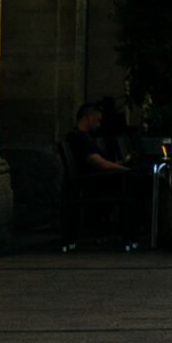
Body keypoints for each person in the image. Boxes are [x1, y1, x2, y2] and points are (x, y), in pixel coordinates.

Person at [61, 97, 146, 253]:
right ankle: (141, 232)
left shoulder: (83, 138)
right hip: (95, 183)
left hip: (98, 180)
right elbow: (100, 164)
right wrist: (125, 170)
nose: (99, 124)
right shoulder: (79, 138)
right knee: (143, 185)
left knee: (142, 183)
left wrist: (121, 164)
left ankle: (141, 232)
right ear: (89, 117)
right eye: (97, 120)